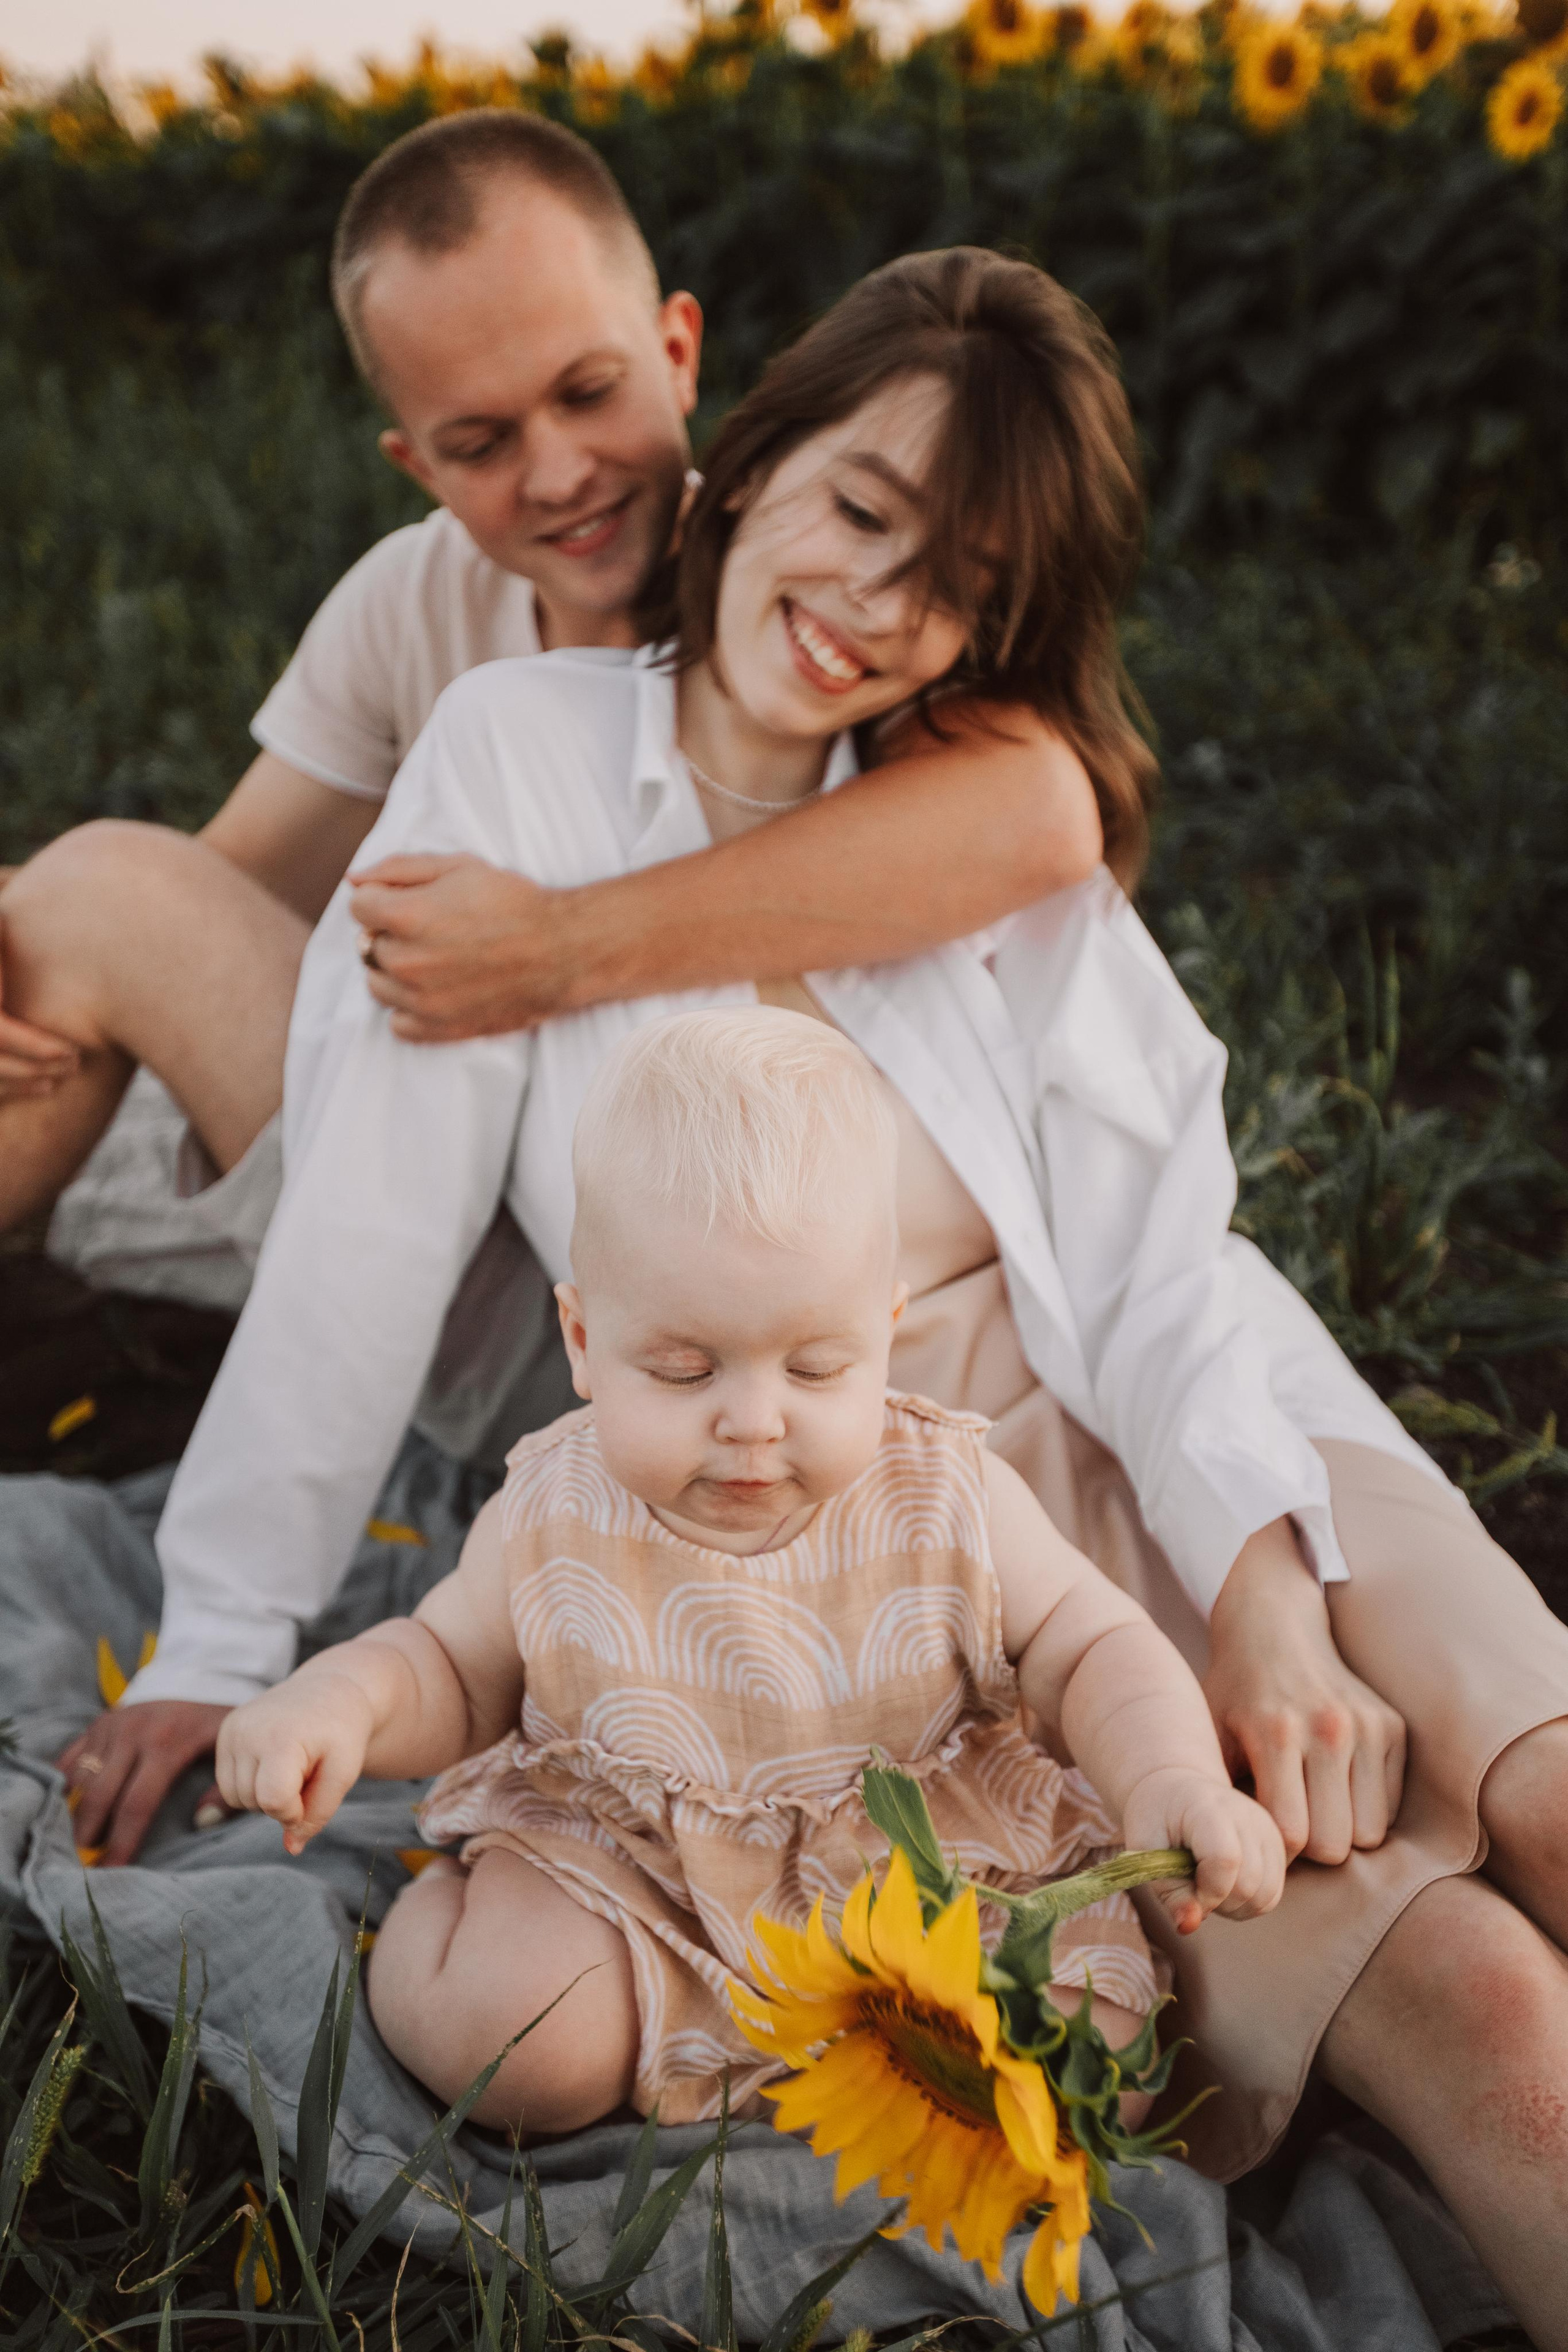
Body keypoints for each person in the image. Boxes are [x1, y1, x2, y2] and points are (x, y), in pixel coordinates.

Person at [29, 241, 1568, 2338]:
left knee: (1559, 1805)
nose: (877, 608)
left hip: (1210, 1440)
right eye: (858, 510)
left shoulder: (969, 817)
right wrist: (220, 1636)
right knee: (1491, 2023)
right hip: (905, 1572)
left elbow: (1157, 1264)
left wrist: (1279, 1590)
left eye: (953, 580)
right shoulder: (517, 760)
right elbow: (368, 1235)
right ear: (751, 462)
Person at [1, 108, 1097, 1303]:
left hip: (668, 1270)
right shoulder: (418, 599)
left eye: (586, 391)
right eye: (478, 443)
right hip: (425, 1180)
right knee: (61, 936)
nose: (559, 471)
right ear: (414, 465)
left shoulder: (806, 609)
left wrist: (555, 950)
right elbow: (228, 892)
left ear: (676, 350)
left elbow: (1040, 811)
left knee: (103, 894)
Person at [214, 1006, 1285, 2137]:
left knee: (1094, 2068)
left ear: (887, 1331)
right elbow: (451, 1667)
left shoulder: (948, 1494)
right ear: (584, 1343)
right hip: (638, 1874)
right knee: (521, 2051)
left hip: (928, 1874)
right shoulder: (556, 1510)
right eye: (682, 1371)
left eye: (819, 1367)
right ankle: (456, 1922)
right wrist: (342, 1702)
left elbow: (1090, 1644)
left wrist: (1168, 1777)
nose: (754, 1422)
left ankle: (902, 2082)